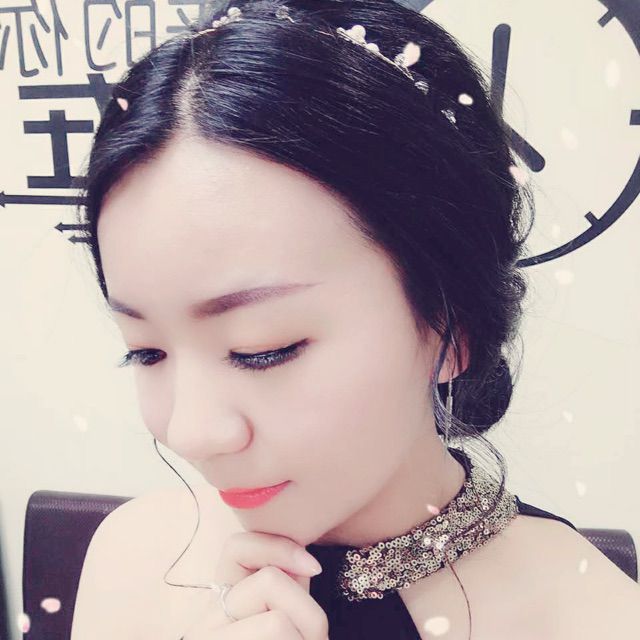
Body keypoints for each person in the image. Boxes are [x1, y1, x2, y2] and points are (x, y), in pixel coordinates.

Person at [69, 1, 640, 638]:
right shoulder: (133, 560)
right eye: (146, 351)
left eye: (263, 349)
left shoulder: (598, 619)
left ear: (450, 322)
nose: (192, 432)